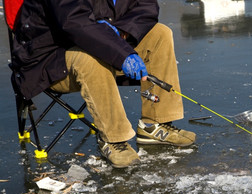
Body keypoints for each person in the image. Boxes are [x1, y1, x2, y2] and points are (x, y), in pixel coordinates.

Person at [10, 0, 195, 168]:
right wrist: (122, 53)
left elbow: (146, 7)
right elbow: (75, 23)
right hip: (50, 59)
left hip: (104, 44)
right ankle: (113, 140)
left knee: (160, 34)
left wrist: (122, 31)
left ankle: (154, 124)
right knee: (90, 57)